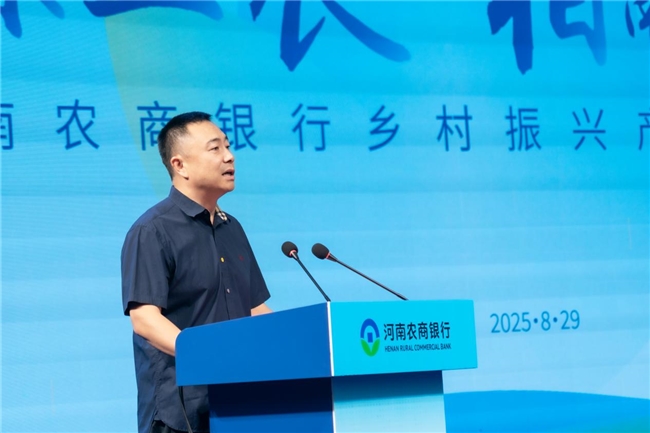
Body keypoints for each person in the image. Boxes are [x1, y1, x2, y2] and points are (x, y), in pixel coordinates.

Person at [121, 112, 272, 433]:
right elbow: (144, 318)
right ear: (180, 165)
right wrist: (206, 356)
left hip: (239, 402)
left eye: (228, 146)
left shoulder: (232, 228)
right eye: (215, 148)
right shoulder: (152, 230)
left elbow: (255, 308)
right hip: (180, 412)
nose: (229, 156)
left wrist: (297, 342)